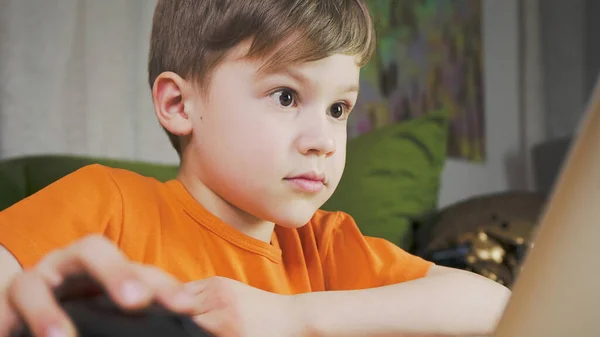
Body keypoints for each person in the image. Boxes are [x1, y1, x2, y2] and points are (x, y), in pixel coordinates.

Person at [0, 1, 510, 336]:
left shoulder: (327, 247)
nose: (323, 142)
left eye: (339, 109)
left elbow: (498, 307)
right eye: (286, 96)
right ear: (179, 104)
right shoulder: (105, 201)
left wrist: (294, 318)